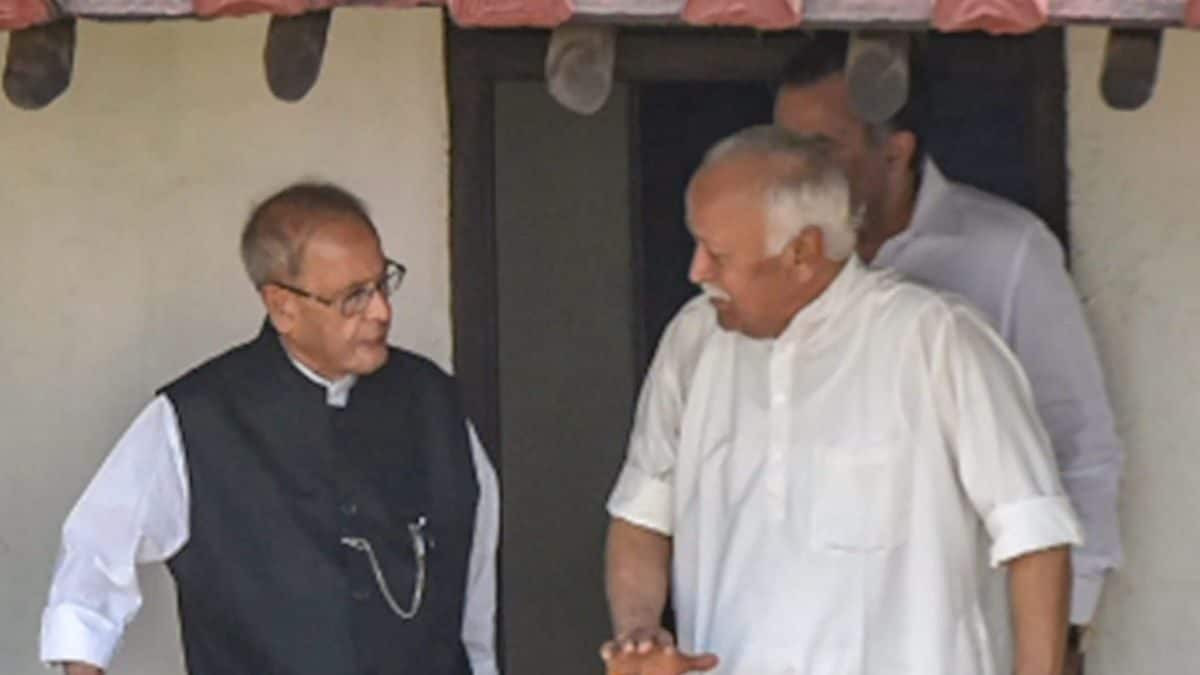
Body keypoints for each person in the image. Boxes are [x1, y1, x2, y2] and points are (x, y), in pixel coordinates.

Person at [601, 126, 1082, 675]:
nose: (696, 272)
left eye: (717, 254)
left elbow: (1035, 536)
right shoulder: (693, 340)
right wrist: (639, 632)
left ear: (802, 253)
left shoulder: (937, 340)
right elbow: (641, 515)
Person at [39, 183, 499, 675]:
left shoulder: (434, 402)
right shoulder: (199, 418)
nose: (381, 311)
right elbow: (92, 563)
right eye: (354, 297)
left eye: (382, 283)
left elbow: (478, 585)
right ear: (283, 307)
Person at [771, 33, 1123, 670]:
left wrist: (1067, 627)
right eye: (783, 147)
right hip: (813, 627)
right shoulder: (770, 263)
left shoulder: (1006, 251)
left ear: (896, 152)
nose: (792, 173)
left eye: (819, 150)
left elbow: (1078, 441)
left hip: (964, 627)